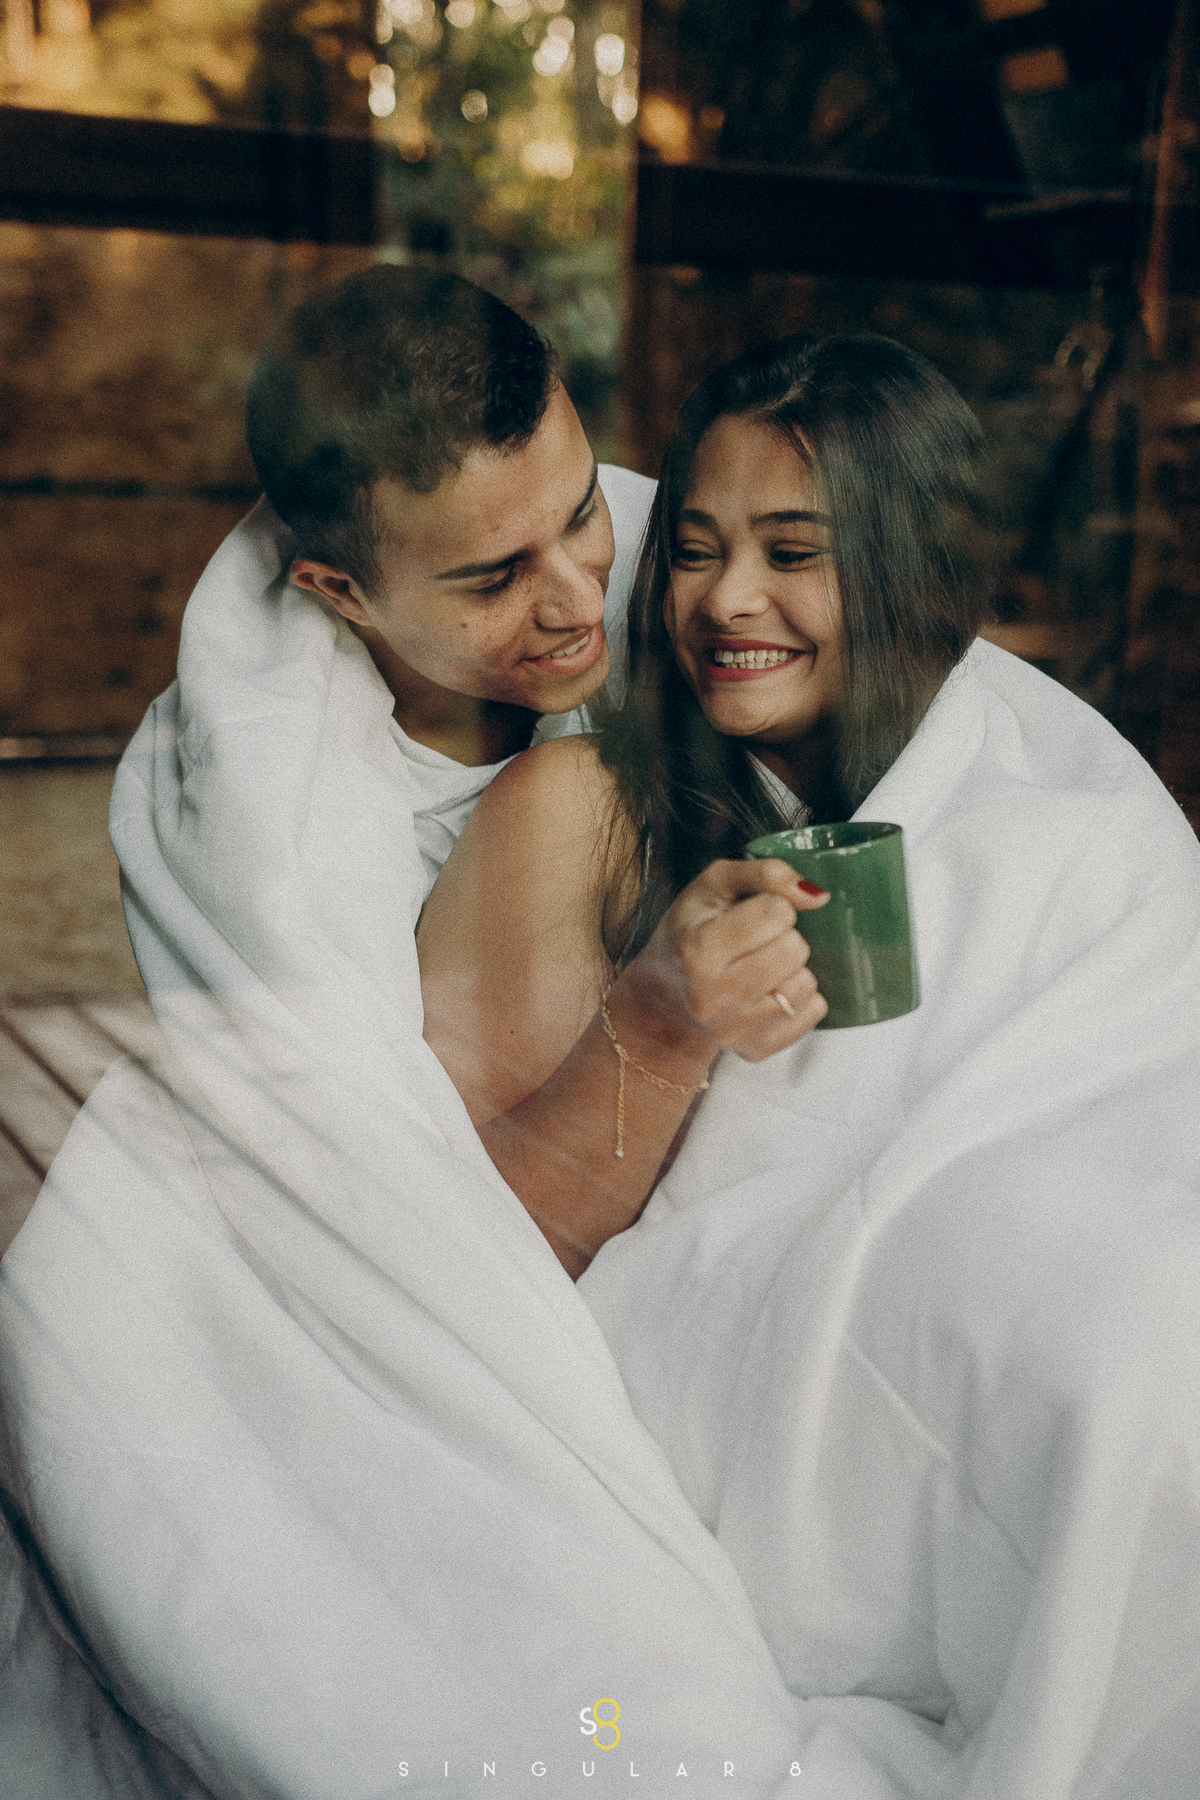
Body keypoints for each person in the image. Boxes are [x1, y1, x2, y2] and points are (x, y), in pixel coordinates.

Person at [1, 281, 960, 1799]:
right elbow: (426, 1246)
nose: (582, 594)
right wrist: (655, 1011)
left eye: (581, 514)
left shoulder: (655, 562)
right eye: (495, 578)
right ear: (338, 594)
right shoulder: (291, 837)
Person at [417, 333, 1200, 1796]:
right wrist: (658, 1020)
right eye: (697, 551)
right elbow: (442, 1242)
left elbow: (1144, 1045)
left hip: (1047, 1217)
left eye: (796, 553)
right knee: (1131, 1362)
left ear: (908, 574)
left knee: (1160, 1308)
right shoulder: (589, 806)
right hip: (774, 1329)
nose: (727, 601)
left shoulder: (1030, 782)